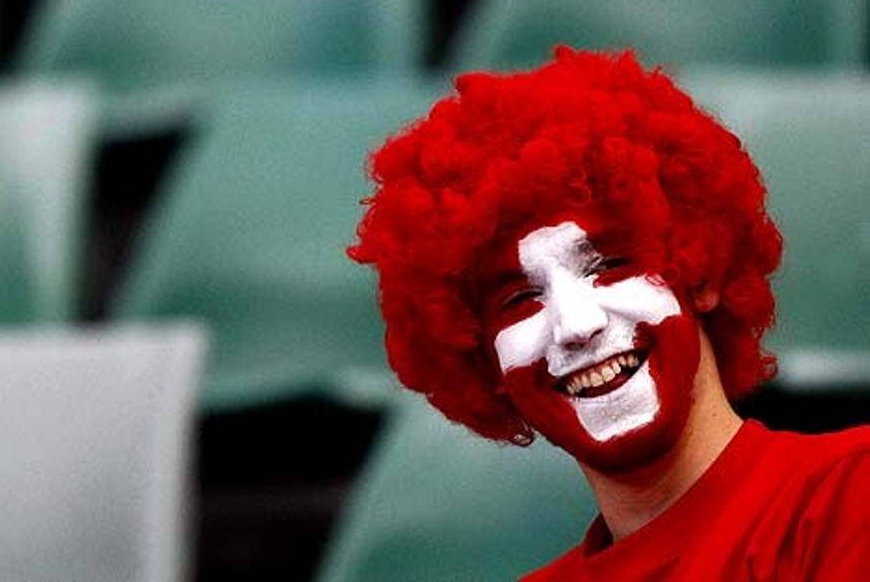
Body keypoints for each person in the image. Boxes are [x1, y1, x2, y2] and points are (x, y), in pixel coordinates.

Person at [349, 47, 870, 580]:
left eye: (611, 265)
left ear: (702, 272)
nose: (576, 325)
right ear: (486, 367)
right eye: (520, 300)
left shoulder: (852, 496)